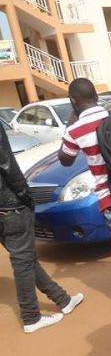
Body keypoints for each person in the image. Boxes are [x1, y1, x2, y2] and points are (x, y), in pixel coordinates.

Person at [0, 124, 83, 333]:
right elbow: (7, 164)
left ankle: (62, 299)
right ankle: (31, 317)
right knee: (23, 260)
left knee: (25, 258)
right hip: (9, 205)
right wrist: (25, 194)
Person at [58, 78, 111, 230]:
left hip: (110, 199)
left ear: (73, 101)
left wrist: (70, 124)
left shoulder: (75, 131)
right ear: (96, 97)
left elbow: (65, 160)